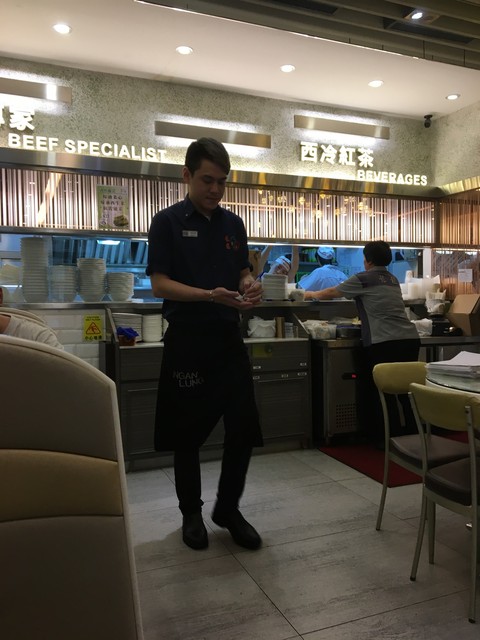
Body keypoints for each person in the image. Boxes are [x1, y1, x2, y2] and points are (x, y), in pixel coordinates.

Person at [146, 137, 264, 551]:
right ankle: (191, 513)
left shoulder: (233, 224)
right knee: (187, 433)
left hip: (228, 338)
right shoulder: (166, 222)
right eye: (207, 180)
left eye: (222, 182)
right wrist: (209, 295)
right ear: (187, 175)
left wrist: (249, 284)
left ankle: (227, 509)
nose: (216, 189)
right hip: (188, 340)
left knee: (244, 427)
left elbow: (242, 271)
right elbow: (160, 284)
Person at [309, 240, 420, 443]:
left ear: (367, 260)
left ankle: (387, 439)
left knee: (384, 391)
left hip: (384, 341)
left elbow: (333, 292)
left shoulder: (363, 278)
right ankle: (412, 436)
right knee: (406, 390)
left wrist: (308, 294)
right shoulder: (392, 279)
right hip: (409, 339)